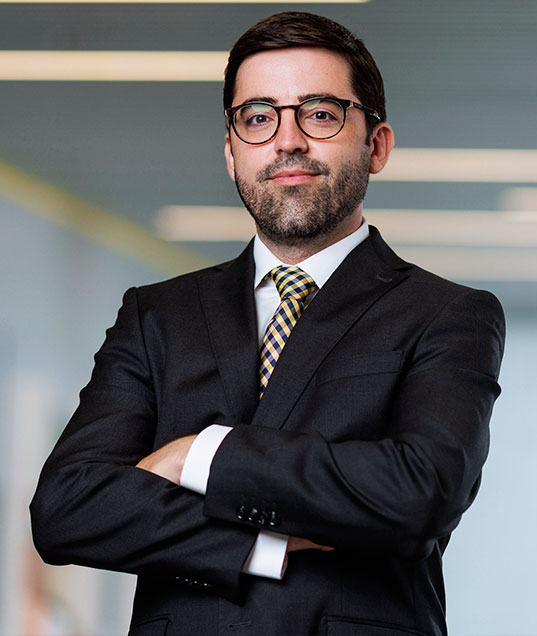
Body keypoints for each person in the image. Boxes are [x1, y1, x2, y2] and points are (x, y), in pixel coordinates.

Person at [30, 11, 505, 636]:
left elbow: (419, 492)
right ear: (231, 153)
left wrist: (200, 454)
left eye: (321, 113)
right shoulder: (157, 316)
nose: (287, 140)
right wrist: (266, 547)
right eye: (258, 117)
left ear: (377, 144)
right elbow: (69, 508)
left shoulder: (446, 315)